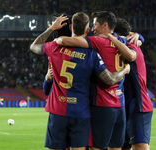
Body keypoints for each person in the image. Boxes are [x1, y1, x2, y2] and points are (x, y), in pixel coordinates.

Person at [30, 13, 130, 150]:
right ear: (87, 30)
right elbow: (110, 79)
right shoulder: (92, 54)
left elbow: (34, 46)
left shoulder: (54, 47)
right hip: (81, 112)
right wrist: (124, 71)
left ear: (71, 27)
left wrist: (52, 28)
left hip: (57, 109)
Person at [56, 11, 137, 150]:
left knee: (96, 147)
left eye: (95, 25)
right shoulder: (122, 41)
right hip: (120, 105)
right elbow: (132, 55)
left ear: (105, 25)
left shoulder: (98, 41)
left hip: (103, 104)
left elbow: (64, 40)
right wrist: (138, 36)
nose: (92, 29)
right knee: (116, 147)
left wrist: (55, 37)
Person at [114, 18, 153, 150]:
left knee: (140, 146)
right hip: (123, 107)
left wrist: (138, 36)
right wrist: (138, 35)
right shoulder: (118, 48)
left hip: (138, 106)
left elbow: (131, 55)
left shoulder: (131, 47)